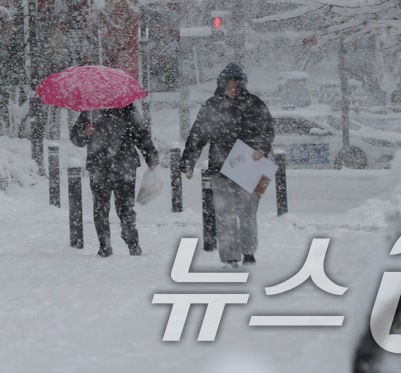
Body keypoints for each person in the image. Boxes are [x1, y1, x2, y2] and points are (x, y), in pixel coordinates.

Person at [180, 62, 274, 267]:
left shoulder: (254, 104)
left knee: (248, 213)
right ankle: (230, 257)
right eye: (229, 86)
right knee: (225, 214)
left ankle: (249, 252)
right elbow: (198, 135)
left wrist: (262, 148)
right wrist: (188, 162)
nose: (233, 90)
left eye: (237, 86)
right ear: (221, 86)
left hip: (250, 168)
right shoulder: (212, 106)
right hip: (220, 169)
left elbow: (268, 129)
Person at [71, 102, 159, 257]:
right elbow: (141, 134)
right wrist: (84, 132)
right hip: (119, 165)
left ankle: (113, 245)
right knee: (118, 207)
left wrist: (151, 156)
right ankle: (127, 243)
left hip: (108, 165)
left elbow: (140, 133)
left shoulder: (94, 109)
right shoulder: (123, 108)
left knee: (104, 208)